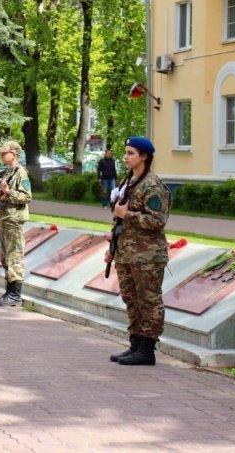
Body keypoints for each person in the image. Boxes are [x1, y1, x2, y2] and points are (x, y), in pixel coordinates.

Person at [104, 136, 171, 366]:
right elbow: (120, 219)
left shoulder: (152, 185)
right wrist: (112, 247)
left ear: (144, 156)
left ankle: (147, 349)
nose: (126, 156)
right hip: (127, 253)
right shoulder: (129, 182)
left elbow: (158, 221)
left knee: (148, 301)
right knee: (131, 300)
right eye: (125, 152)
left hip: (147, 255)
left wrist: (127, 215)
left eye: (131, 153)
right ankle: (135, 345)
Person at [0, 140, 32, 307]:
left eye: (4, 152)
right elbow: (1, 193)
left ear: (14, 154)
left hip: (14, 220)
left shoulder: (21, 173)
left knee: (14, 257)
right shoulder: (8, 172)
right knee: (5, 257)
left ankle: (15, 294)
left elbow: (27, 197)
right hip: (5, 219)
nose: (1, 155)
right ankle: (9, 291)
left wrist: (8, 192)